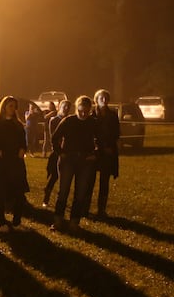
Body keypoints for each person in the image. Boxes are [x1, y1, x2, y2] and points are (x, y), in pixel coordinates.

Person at [51, 96, 96, 232]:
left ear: (89, 110)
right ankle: (58, 221)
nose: (83, 114)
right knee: (63, 191)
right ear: (77, 109)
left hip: (84, 161)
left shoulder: (92, 123)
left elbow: (100, 139)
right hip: (68, 160)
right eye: (81, 111)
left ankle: (74, 222)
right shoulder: (69, 121)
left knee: (80, 193)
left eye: (86, 112)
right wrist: (60, 152)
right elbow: (55, 137)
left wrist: (95, 154)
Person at [0, 96, 29, 232]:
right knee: (1, 192)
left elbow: (23, 142)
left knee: (19, 193)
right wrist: (3, 154)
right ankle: (1, 220)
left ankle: (17, 221)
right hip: (3, 163)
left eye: (14, 106)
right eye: (10, 106)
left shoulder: (18, 125)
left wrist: (22, 149)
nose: (13, 109)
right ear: (4, 107)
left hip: (17, 163)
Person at [90, 89, 119, 219]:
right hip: (94, 151)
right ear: (97, 99)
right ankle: (85, 207)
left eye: (106, 98)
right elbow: (90, 133)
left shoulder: (112, 115)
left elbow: (116, 133)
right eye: (101, 98)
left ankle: (101, 209)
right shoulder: (91, 115)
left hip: (108, 152)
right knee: (89, 180)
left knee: (104, 181)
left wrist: (110, 146)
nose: (104, 100)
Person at [43, 100, 71, 206]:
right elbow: (54, 136)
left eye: (68, 107)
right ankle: (46, 196)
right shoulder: (54, 120)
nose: (66, 109)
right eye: (64, 106)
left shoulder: (69, 120)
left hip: (67, 151)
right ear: (59, 107)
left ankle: (61, 200)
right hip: (57, 152)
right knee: (54, 176)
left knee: (64, 177)